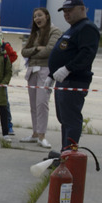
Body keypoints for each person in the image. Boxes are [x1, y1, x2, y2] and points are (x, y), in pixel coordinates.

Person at [49, 0, 100, 151]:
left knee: (71, 119)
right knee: (64, 118)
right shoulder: (74, 28)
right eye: (64, 11)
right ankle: (66, 152)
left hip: (74, 80)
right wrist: (51, 75)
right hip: (63, 80)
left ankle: (70, 155)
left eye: (70, 11)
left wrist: (67, 69)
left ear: (82, 9)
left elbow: (86, 54)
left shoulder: (87, 28)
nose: (66, 14)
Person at [19, 8, 62, 148]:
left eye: (40, 15)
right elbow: (24, 51)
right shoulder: (35, 33)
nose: (37, 18)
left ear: (47, 16)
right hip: (32, 71)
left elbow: (50, 51)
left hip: (45, 70)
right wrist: (36, 49)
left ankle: (42, 135)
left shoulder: (54, 31)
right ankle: (35, 133)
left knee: (42, 103)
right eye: (35, 16)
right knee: (33, 105)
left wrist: (32, 54)